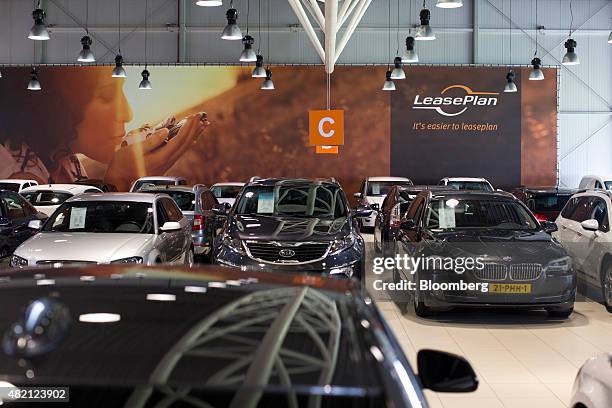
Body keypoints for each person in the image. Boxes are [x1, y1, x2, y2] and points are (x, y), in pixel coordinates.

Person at [0, 66, 207, 191]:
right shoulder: (17, 178)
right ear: (59, 103)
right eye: (107, 96)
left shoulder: (67, 162)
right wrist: (119, 181)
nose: (127, 114)